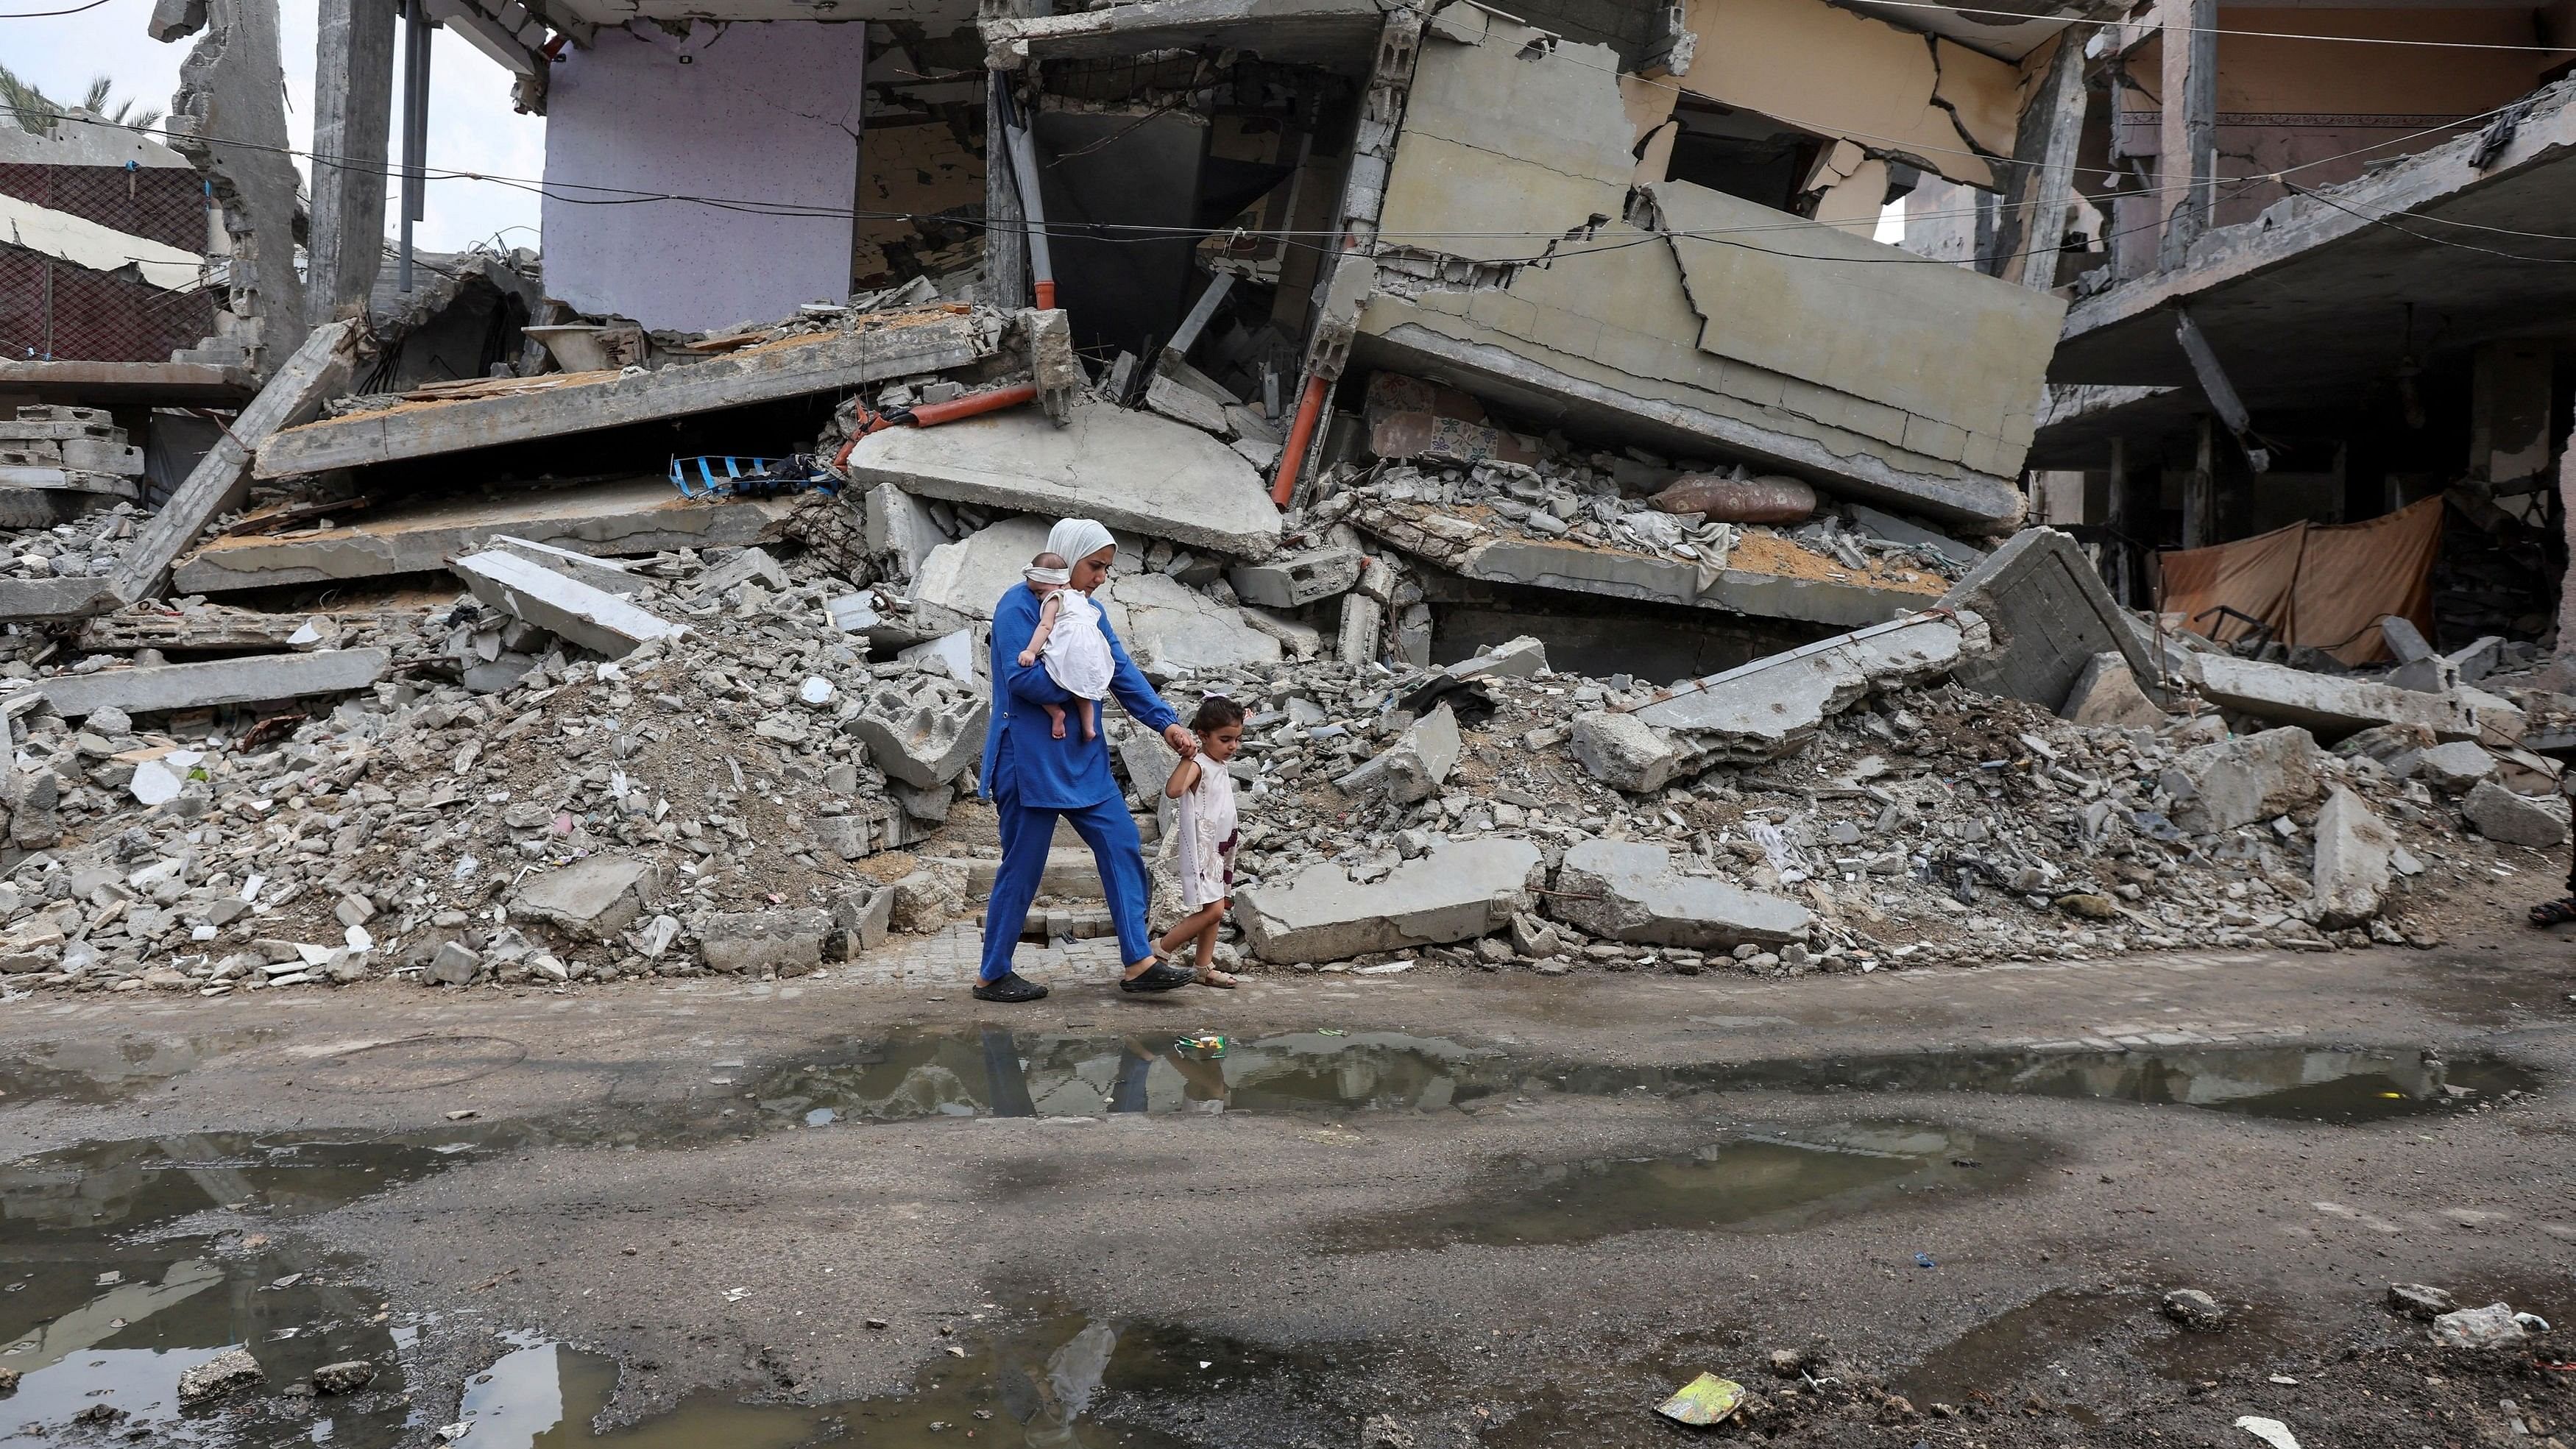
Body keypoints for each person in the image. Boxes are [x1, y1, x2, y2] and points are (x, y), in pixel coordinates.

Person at [974, 517, 1201, 1004]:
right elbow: (1023, 681)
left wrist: (1167, 723)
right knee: (1023, 866)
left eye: (1105, 568)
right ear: (1068, 557)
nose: (1101, 576)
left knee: (1121, 843)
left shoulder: (1088, 611)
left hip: (1082, 757)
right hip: (1029, 758)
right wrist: (1086, 678)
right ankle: (992, 973)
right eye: (1095, 565)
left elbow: (1120, 669)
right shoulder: (1017, 605)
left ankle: (1139, 961)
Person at [1156, 695, 1245, 988]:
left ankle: (1203, 967)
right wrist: (1186, 758)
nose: (1232, 746)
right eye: (1225, 739)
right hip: (1204, 847)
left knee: (1216, 907)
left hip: (1222, 846)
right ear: (1203, 736)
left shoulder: (1218, 763)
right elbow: (1173, 790)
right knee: (1214, 910)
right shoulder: (1200, 764)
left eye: (1236, 739)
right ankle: (1161, 949)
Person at [1013, 550, 1108, 743]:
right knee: (1083, 693)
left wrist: (1031, 651)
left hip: (1070, 650)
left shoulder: (1055, 597)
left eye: (1040, 592)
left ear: (1057, 583)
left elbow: (1046, 625)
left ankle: (1056, 713)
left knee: (1047, 675)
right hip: (1091, 654)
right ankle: (1089, 728)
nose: (1038, 598)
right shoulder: (1082, 599)